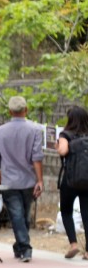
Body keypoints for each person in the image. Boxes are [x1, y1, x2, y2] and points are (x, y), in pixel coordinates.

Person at [0, 95, 44, 262]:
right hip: (28, 182)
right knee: (22, 216)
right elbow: (37, 158)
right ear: (26, 110)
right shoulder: (35, 130)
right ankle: (25, 247)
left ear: (10, 111)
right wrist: (40, 180)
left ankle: (20, 246)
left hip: (9, 182)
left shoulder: (0, 131)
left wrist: (0, 179)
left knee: (18, 216)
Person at [57, 106, 88, 260]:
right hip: (87, 181)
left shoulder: (65, 134)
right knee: (86, 214)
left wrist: (61, 145)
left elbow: (62, 151)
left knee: (66, 211)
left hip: (69, 180)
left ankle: (74, 244)